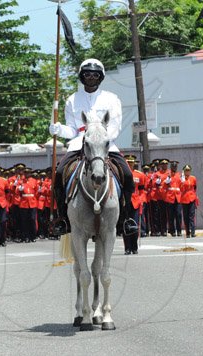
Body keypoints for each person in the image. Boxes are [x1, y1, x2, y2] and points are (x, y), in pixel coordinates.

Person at [49, 58, 138, 236]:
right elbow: (72, 129)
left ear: (100, 77)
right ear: (82, 77)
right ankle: (63, 218)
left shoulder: (112, 99)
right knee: (59, 175)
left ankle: (125, 219)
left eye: (95, 75)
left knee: (127, 176)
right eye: (87, 74)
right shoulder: (72, 100)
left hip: (104, 143)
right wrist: (58, 129)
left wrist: (100, 138)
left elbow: (115, 126)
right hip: (79, 142)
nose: (91, 78)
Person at [165, 160, 183, 237]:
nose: (174, 168)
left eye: (175, 166)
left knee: (178, 214)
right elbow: (164, 184)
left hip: (178, 197)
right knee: (171, 215)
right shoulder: (168, 174)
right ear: (171, 167)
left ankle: (179, 230)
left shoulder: (179, 175)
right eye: (173, 166)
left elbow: (182, 185)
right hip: (170, 197)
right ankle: (172, 230)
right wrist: (167, 179)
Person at [180, 164, 198, 238]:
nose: (187, 172)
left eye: (188, 170)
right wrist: (182, 182)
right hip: (184, 198)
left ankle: (193, 231)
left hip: (191, 198)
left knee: (191, 215)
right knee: (186, 216)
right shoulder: (182, 179)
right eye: (186, 171)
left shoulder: (193, 178)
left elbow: (195, 187)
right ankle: (187, 232)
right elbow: (181, 189)